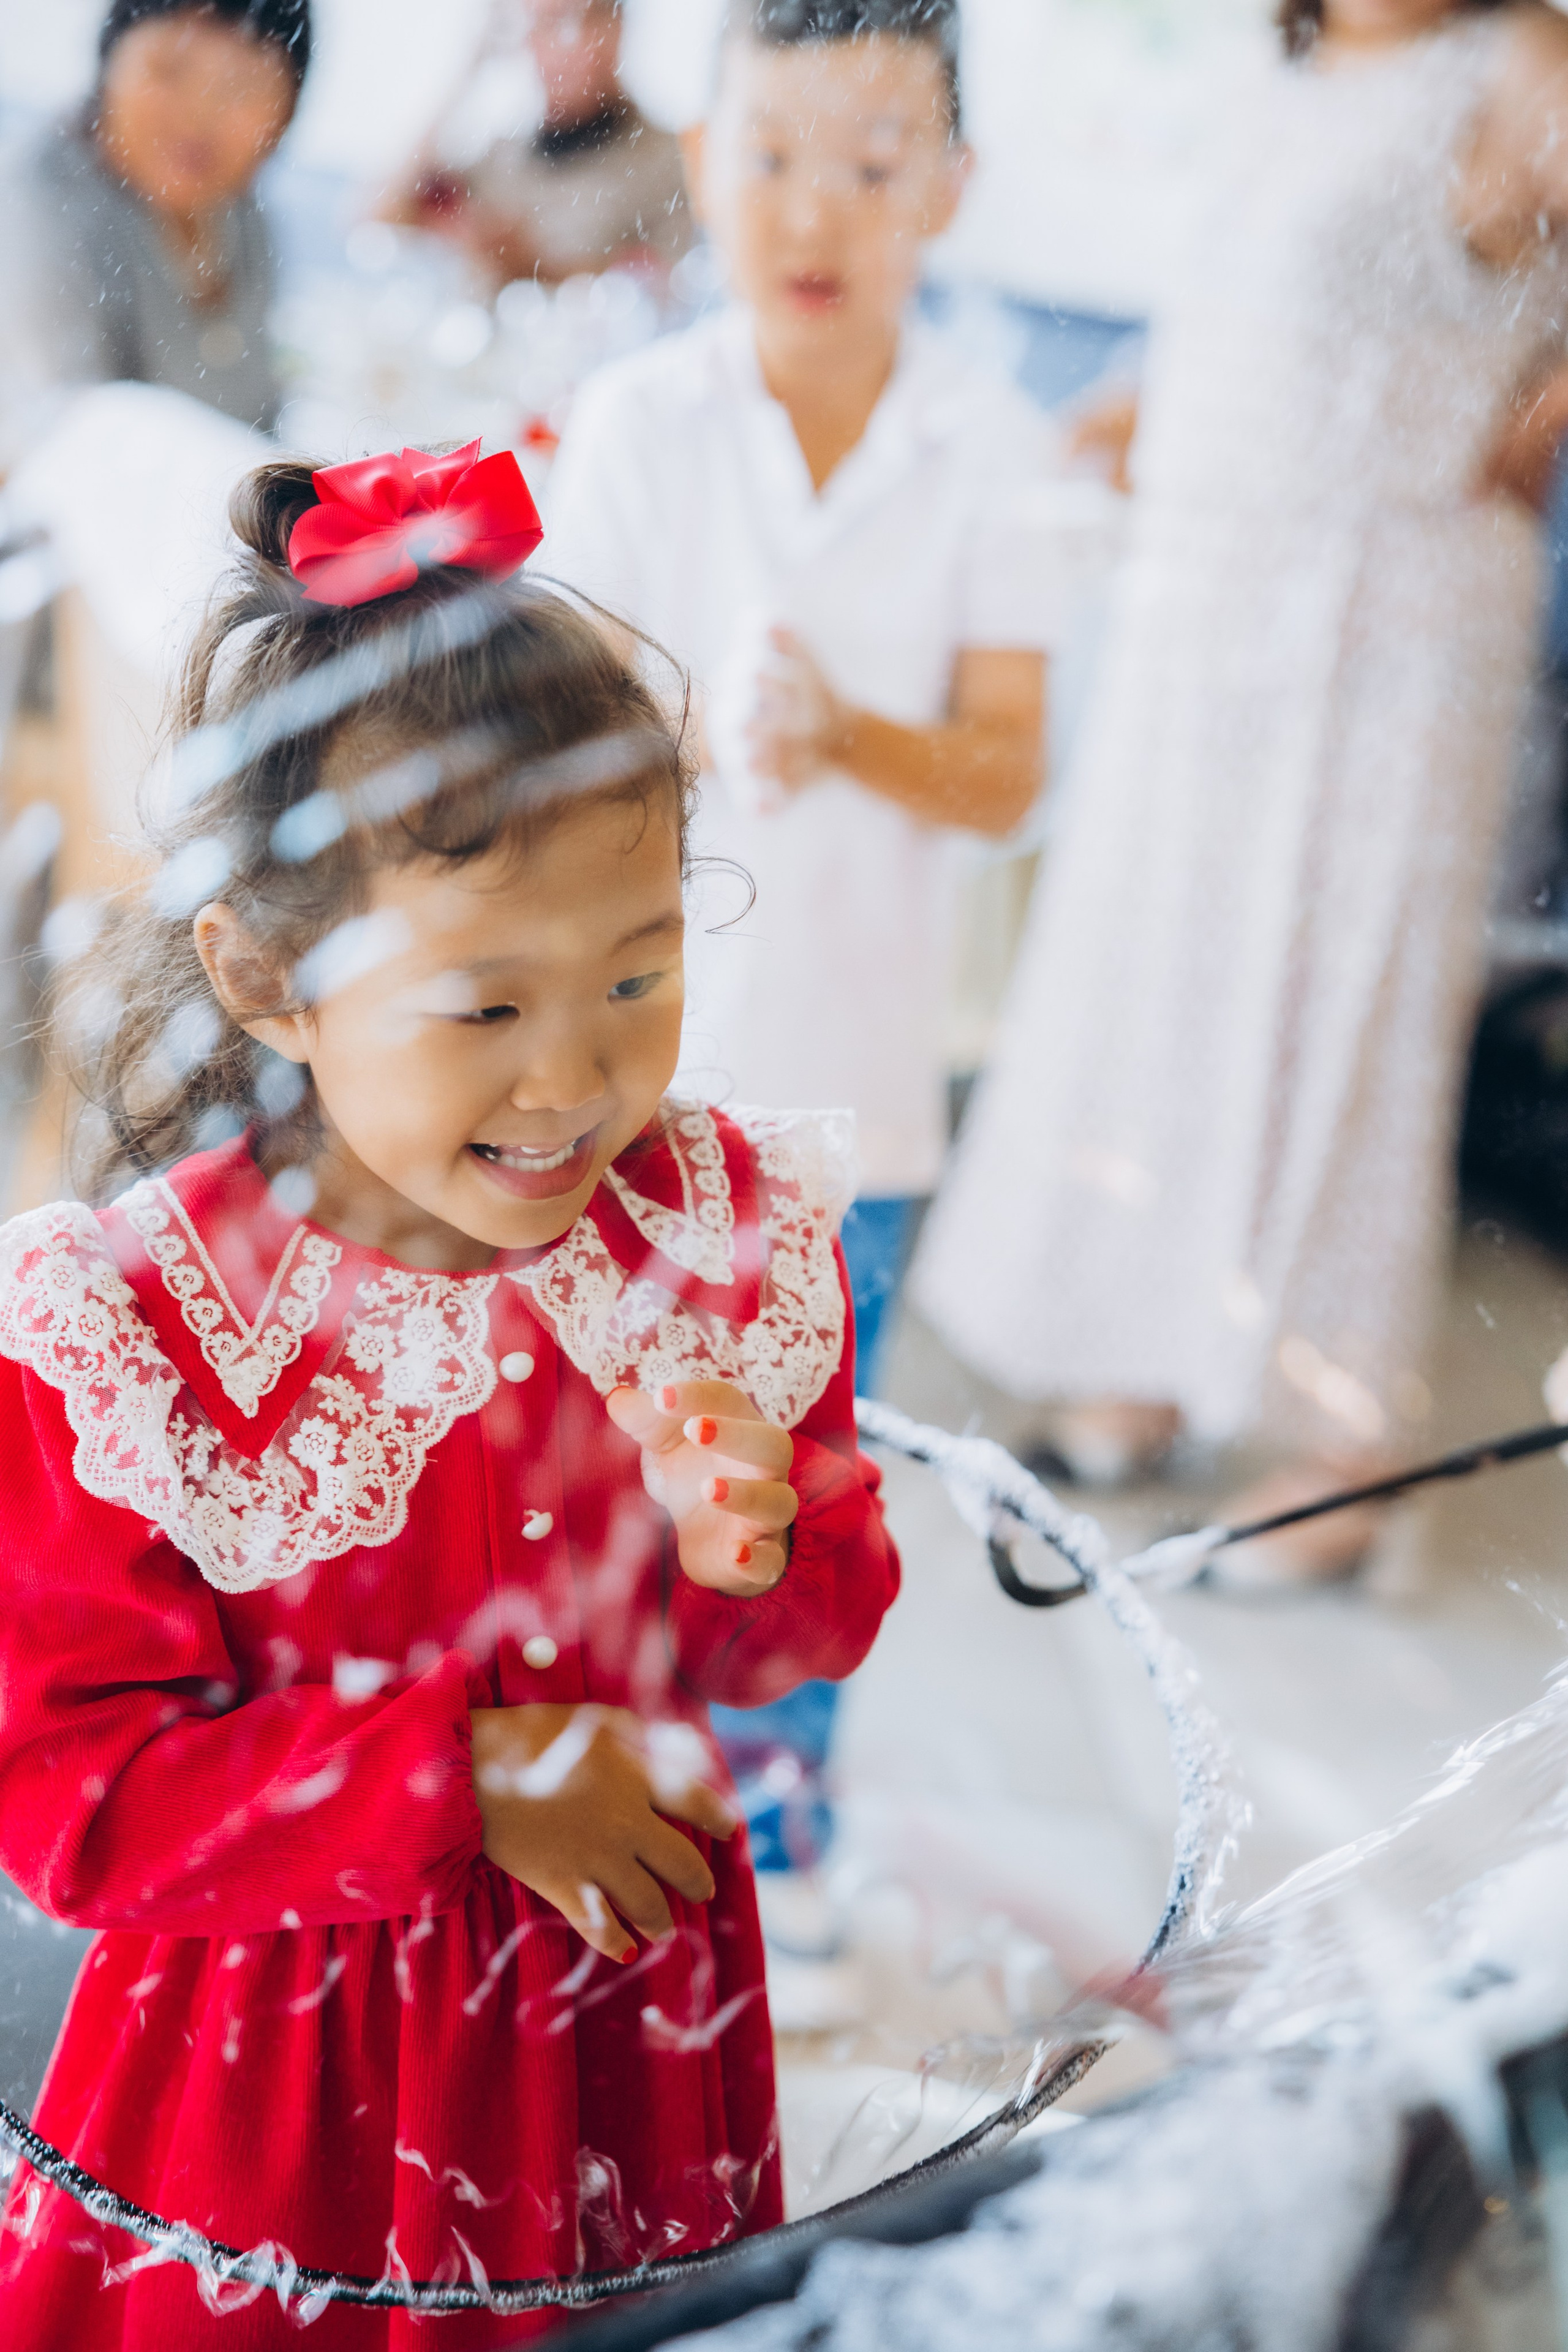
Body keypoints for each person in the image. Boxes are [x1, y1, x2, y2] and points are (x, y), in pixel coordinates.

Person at [0, 440, 899, 2343]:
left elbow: (806, 1627)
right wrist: (460, 1780)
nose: (574, 1077)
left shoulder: (702, 1232)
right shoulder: (140, 1327)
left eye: (638, 976)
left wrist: (764, 1537)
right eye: (484, 1006)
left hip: (624, 2052)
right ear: (263, 976)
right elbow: (74, 1799)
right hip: (279, 2104)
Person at [914, 0, 1568, 1579]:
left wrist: (1541, 414)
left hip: (1385, 593)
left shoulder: (1518, 59)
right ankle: (1144, 1356)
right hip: (1204, 587)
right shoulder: (1285, 70)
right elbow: (1242, 314)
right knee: (1170, 970)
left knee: (1345, 996)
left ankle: (1331, 1448)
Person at [544, 0, 1065, 1977]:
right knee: (603, 1487)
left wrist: (849, 736)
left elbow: (1008, 775)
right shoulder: (643, 422)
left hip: (861, 1098)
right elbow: (569, 746)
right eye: (770, 152)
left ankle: (763, 1879)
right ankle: (594, 1839)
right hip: (630, 1093)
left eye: (871, 158)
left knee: (797, 1509)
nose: (812, 207)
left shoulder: (991, 443)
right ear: (701, 160)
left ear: (953, 187)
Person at [10, 0, 310, 436]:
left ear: (286, 115)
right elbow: (79, 439)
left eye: (242, 86)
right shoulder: (33, 202)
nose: (200, 113)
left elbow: (264, 410)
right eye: (170, 70)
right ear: (109, 66)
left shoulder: (243, 214)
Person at [379, 0, 693, 293]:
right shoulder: (502, 156)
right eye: (540, 26)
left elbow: (668, 289)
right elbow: (380, 219)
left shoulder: (670, 162)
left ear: (615, 29)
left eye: (568, 24)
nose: (557, 47)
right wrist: (467, 72)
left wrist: (534, 270)